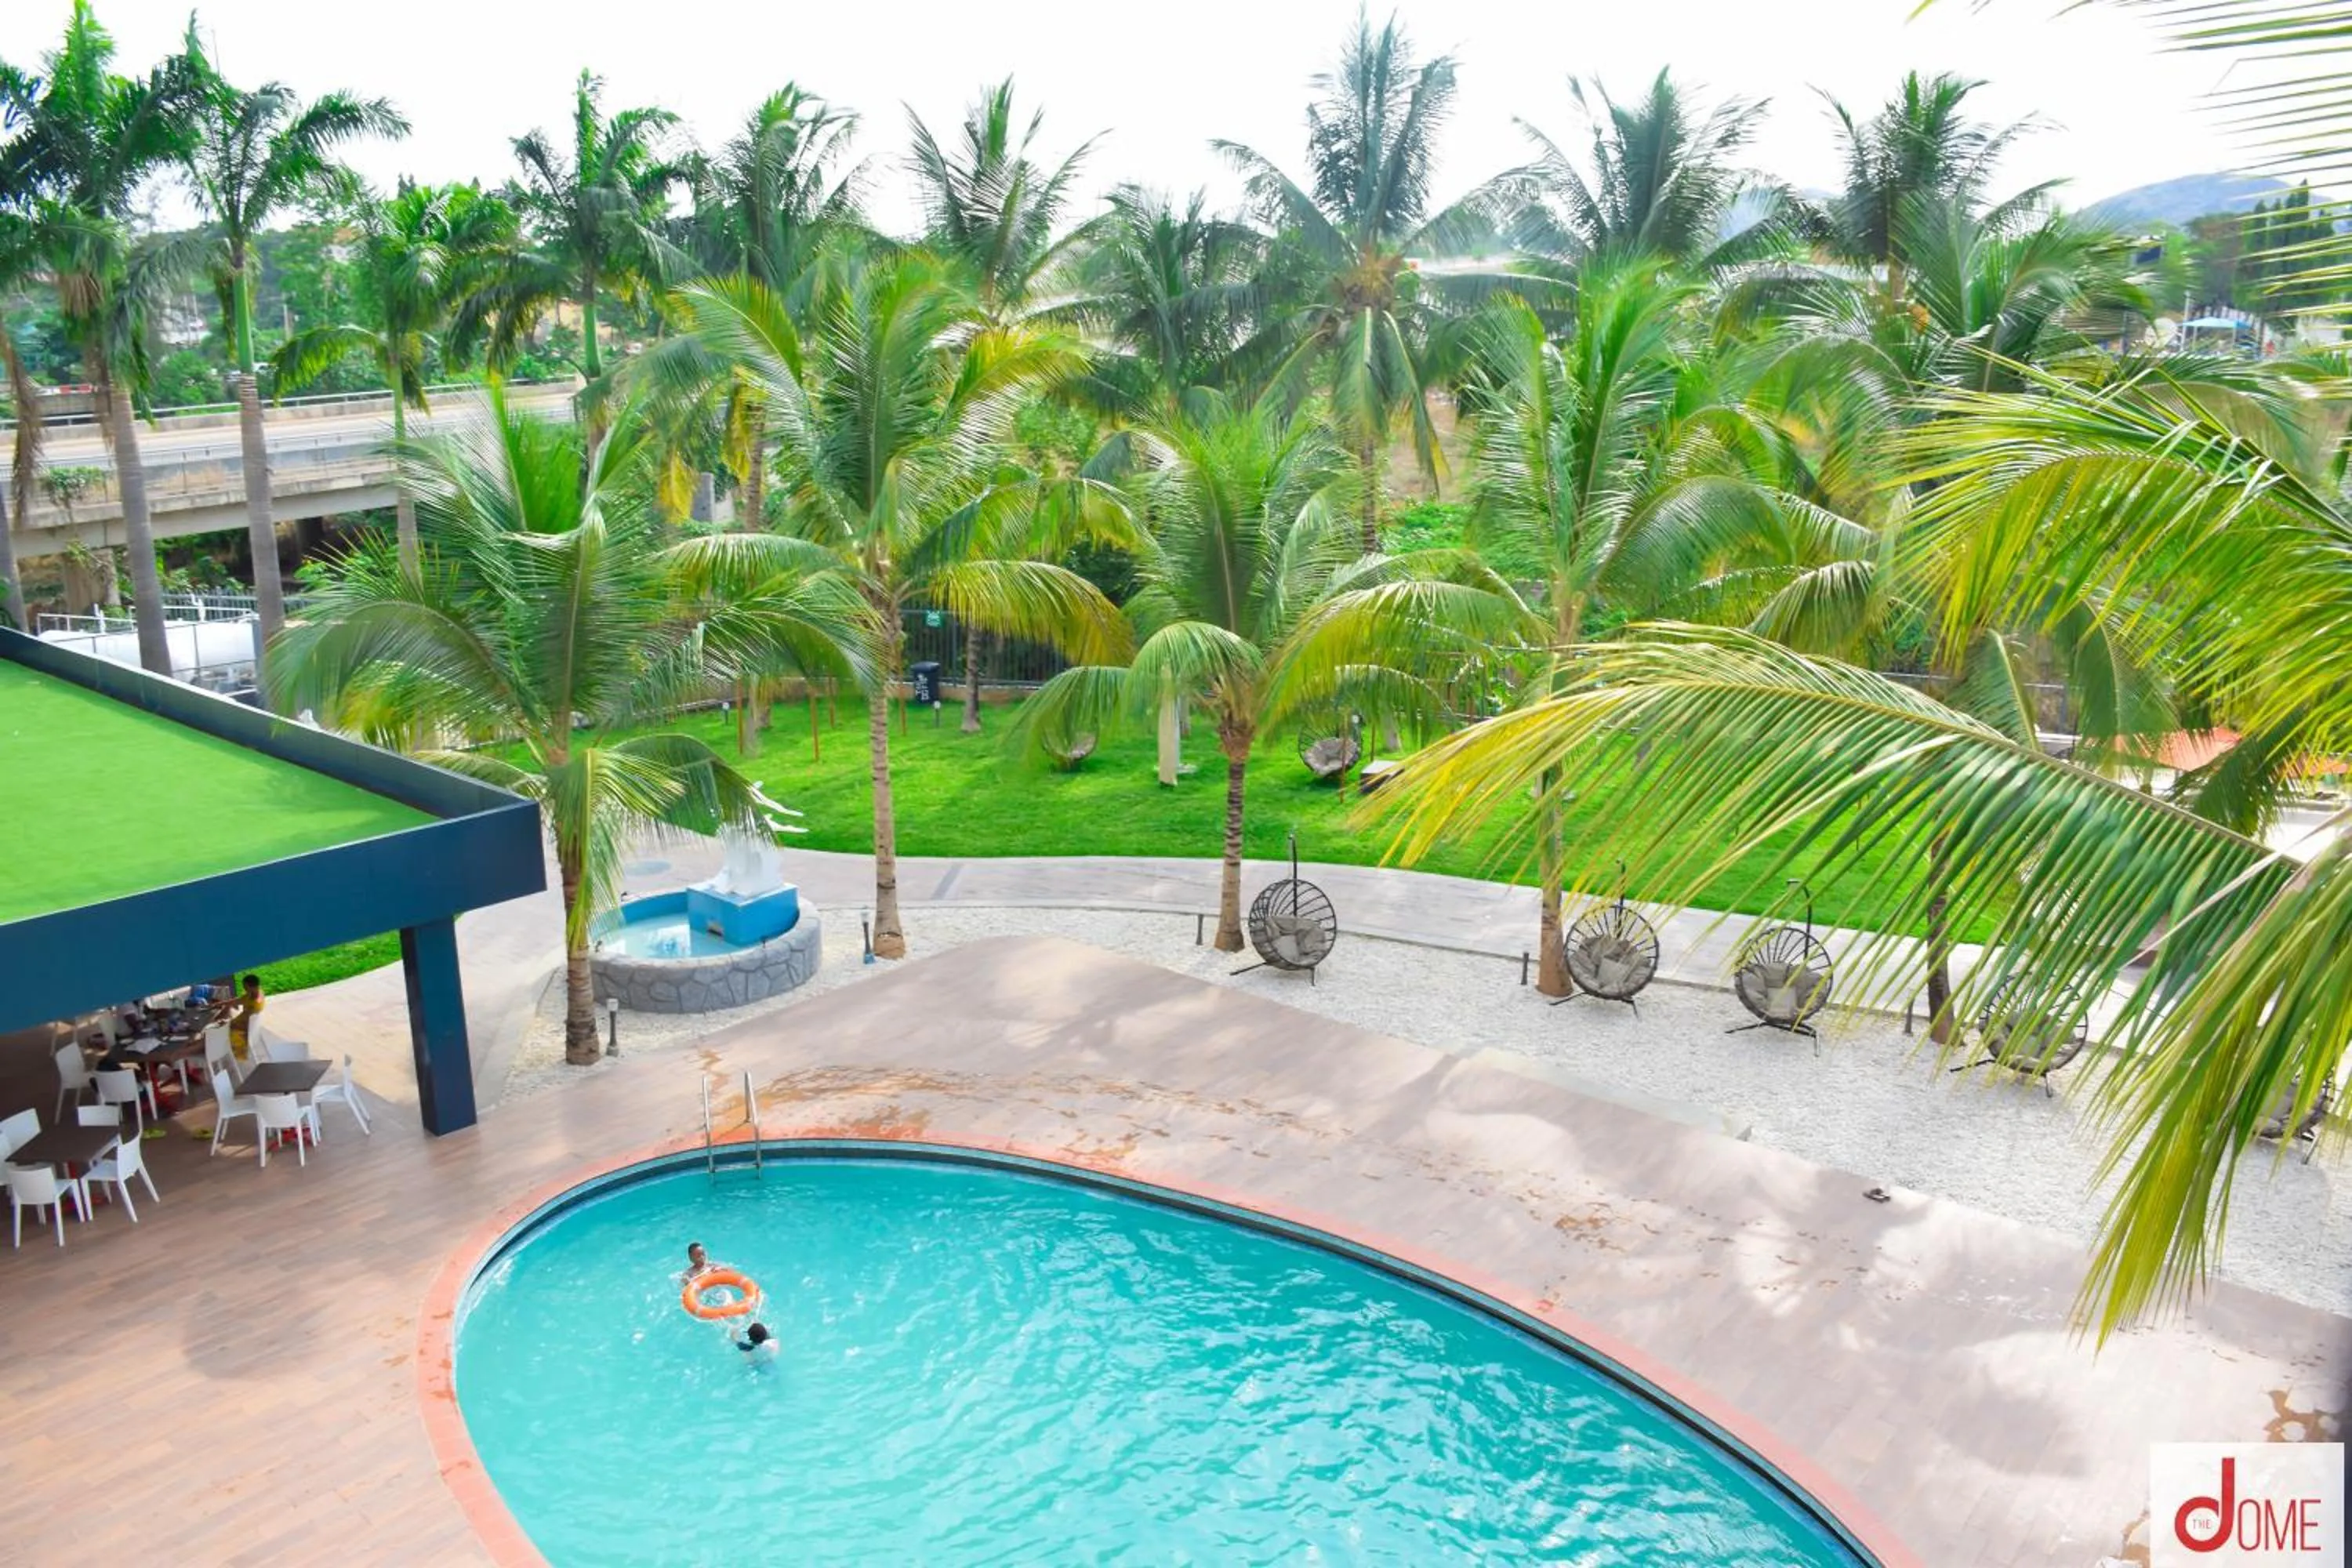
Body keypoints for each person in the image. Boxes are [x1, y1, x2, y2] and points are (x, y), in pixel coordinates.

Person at [227, 975, 265, 1063]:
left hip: (243, 1029)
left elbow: (245, 1023)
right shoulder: (258, 993)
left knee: (216, 1032)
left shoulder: (255, 1003)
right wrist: (221, 1004)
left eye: (245, 986)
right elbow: (238, 1000)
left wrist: (228, 1024)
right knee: (225, 1014)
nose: (244, 988)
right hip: (250, 1027)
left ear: (251, 986)